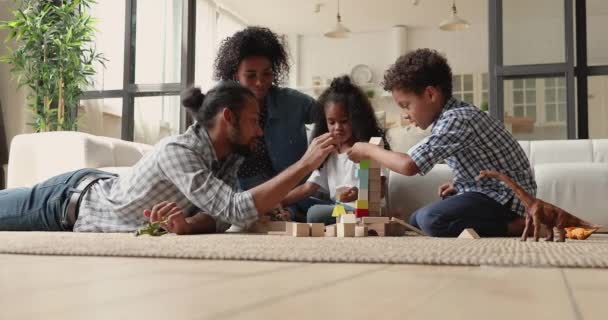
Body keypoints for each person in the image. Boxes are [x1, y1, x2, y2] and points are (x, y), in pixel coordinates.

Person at [0, 81, 336, 234]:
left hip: (90, 191)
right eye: (253, 122)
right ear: (228, 118)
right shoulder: (179, 152)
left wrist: (188, 225)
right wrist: (305, 164)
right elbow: (235, 209)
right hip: (62, 203)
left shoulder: (230, 158)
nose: (260, 132)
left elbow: (223, 215)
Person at [347, 48, 537, 237]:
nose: (405, 114)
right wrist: (461, 185)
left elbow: (409, 165)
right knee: (415, 221)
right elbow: (487, 162)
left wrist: (368, 149)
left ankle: (515, 226)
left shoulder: (457, 119)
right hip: (491, 192)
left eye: (406, 105)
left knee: (431, 220)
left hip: (509, 199)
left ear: (430, 94)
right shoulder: (451, 117)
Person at [214, 26, 317, 221]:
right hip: (242, 195)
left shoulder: (292, 102)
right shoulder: (219, 105)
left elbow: (332, 115)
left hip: (293, 193)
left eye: (267, 74)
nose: (260, 82)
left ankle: (285, 212)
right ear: (236, 74)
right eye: (251, 75)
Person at [281, 76, 389, 225]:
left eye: (344, 121)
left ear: (357, 119)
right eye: (331, 122)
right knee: (303, 203)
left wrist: (358, 194)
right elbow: (309, 187)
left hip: (362, 211)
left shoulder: (366, 149)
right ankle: (286, 213)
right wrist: (277, 201)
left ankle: (296, 215)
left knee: (314, 213)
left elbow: (380, 189)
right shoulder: (329, 151)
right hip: (338, 208)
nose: (337, 127)